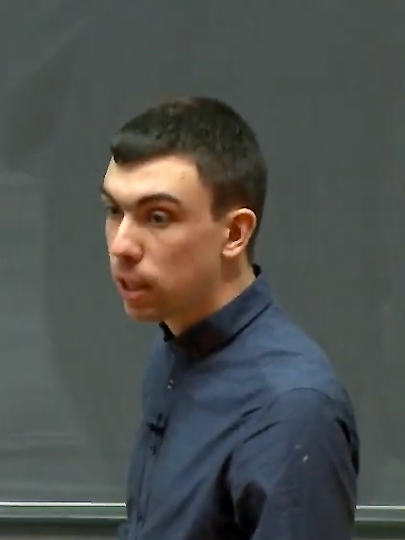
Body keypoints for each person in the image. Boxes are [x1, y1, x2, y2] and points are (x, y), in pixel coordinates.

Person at [101, 96, 359, 540]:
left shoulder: (292, 411)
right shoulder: (171, 351)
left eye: (157, 217)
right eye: (114, 211)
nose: (121, 245)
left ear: (235, 233)